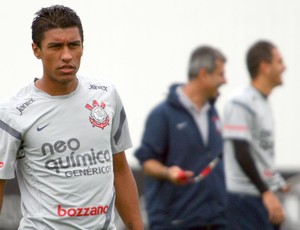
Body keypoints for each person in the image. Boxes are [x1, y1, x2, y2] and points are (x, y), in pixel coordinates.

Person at [0, 5, 143, 230]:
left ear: (82, 47)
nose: (66, 56)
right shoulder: (13, 113)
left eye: (73, 45)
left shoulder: (106, 95)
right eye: (55, 46)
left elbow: (121, 170)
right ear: (36, 50)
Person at [134, 45, 228, 230]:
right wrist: (168, 173)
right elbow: (147, 162)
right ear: (203, 74)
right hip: (175, 223)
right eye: (220, 74)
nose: (225, 80)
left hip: (216, 222)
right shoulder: (162, 114)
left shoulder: (213, 113)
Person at [223, 40, 290, 230]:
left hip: (260, 195)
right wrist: (266, 192)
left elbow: (259, 153)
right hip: (243, 199)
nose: (285, 67)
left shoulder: (263, 102)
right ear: (264, 67)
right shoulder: (241, 102)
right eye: (279, 61)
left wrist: (276, 181)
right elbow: (241, 151)